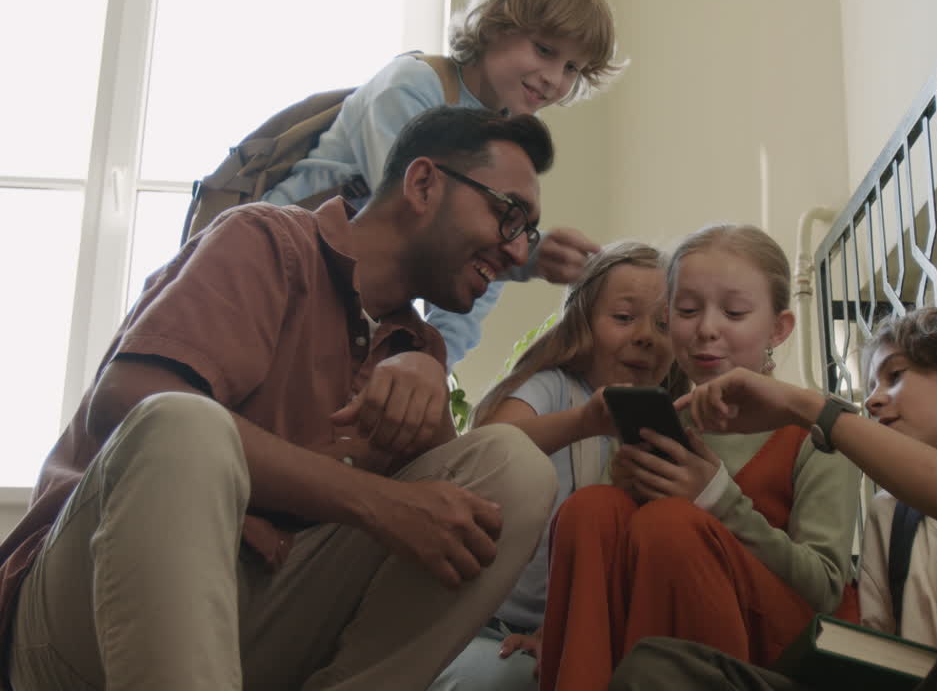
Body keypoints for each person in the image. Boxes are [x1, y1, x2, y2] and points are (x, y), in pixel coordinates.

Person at [0, 107, 565, 691]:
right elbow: (127, 400)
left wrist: (427, 374)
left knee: (512, 472)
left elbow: (435, 526)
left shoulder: (417, 348)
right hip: (87, 615)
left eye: (529, 233)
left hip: (259, 627)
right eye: (510, 215)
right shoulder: (264, 240)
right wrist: (376, 501)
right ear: (423, 184)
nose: (519, 252)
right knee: (183, 423)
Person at [610, 298, 937, 691]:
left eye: (894, 376)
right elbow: (880, 662)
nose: (872, 402)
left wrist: (810, 410)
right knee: (662, 669)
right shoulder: (890, 515)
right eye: (866, 388)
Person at [537, 224, 861, 691]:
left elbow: (826, 589)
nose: (707, 329)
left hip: (776, 645)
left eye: (733, 312)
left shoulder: (815, 431)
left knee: (670, 522)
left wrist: (715, 498)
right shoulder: (660, 423)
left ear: (779, 328)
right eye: (687, 311)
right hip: (655, 625)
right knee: (591, 509)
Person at [264, 0, 624, 371]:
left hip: (344, 300)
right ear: (495, 21)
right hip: (280, 275)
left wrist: (433, 362)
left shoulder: (501, 144)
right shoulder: (409, 87)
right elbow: (428, 230)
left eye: (573, 68)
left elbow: (472, 269)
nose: (555, 79)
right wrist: (527, 255)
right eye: (544, 50)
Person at [429, 240, 679, 691]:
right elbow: (494, 445)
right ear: (583, 323)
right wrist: (584, 423)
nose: (645, 335)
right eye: (624, 318)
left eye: (664, 324)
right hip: (480, 626)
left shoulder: (669, 430)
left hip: (581, 631)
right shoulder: (555, 389)